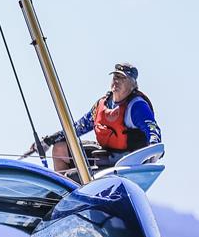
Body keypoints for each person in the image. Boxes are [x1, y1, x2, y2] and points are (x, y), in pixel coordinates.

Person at [31, 63, 161, 172]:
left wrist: (155, 148)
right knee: (60, 149)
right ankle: (64, 191)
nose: (116, 80)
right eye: (115, 76)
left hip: (127, 162)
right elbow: (77, 128)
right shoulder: (102, 105)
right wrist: (50, 140)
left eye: (122, 78)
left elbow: (152, 129)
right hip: (104, 156)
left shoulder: (136, 106)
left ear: (133, 85)